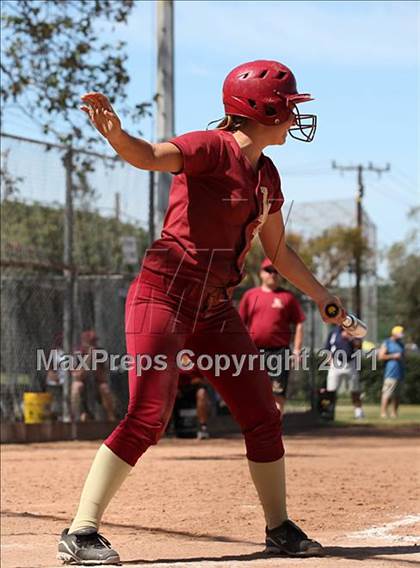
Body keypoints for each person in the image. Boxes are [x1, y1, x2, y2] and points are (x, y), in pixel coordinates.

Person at [58, 60, 347, 564]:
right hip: (162, 296)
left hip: (213, 309)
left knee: (262, 413)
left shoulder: (266, 173)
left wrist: (322, 295)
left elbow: (277, 252)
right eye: (289, 106)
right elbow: (149, 156)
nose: (294, 116)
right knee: (148, 415)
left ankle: (278, 527)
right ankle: (80, 531)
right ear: (262, 108)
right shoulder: (209, 147)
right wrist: (117, 135)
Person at [239, 257, 305, 415]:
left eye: (276, 271)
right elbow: (240, 324)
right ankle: (258, 432)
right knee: (255, 394)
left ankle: (275, 432)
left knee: (277, 393)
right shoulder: (250, 295)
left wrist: (296, 350)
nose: (272, 274)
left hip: (279, 352)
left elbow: (299, 322)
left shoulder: (287, 297)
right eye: (268, 270)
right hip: (254, 351)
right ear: (261, 273)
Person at [71, 330, 116, 422]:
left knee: (105, 388)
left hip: (95, 384)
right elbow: (78, 376)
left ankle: (111, 416)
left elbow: (103, 377)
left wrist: (95, 362)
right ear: (84, 343)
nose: (94, 344)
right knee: (77, 387)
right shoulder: (77, 353)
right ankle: (78, 416)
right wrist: (89, 357)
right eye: (91, 342)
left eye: (95, 342)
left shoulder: (100, 353)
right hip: (83, 385)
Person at [325, 325, 364, 420]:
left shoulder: (354, 331)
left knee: (354, 390)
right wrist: (329, 359)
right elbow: (328, 347)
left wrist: (350, 338)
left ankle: (358, 412)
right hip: (336, 363)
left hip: (350, 363)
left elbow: (359, 346)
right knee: (331, 390)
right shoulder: (333, 332)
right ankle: (329, 411)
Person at [379, 325, 405, 418]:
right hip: (390, 372)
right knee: (387, 393)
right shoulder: (387, 343)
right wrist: (393, 356)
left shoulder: (401, 344)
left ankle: (394, 413)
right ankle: (383, 413)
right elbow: (381, 356)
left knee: (397, 395)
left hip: (400, 372)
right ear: (394, 334)